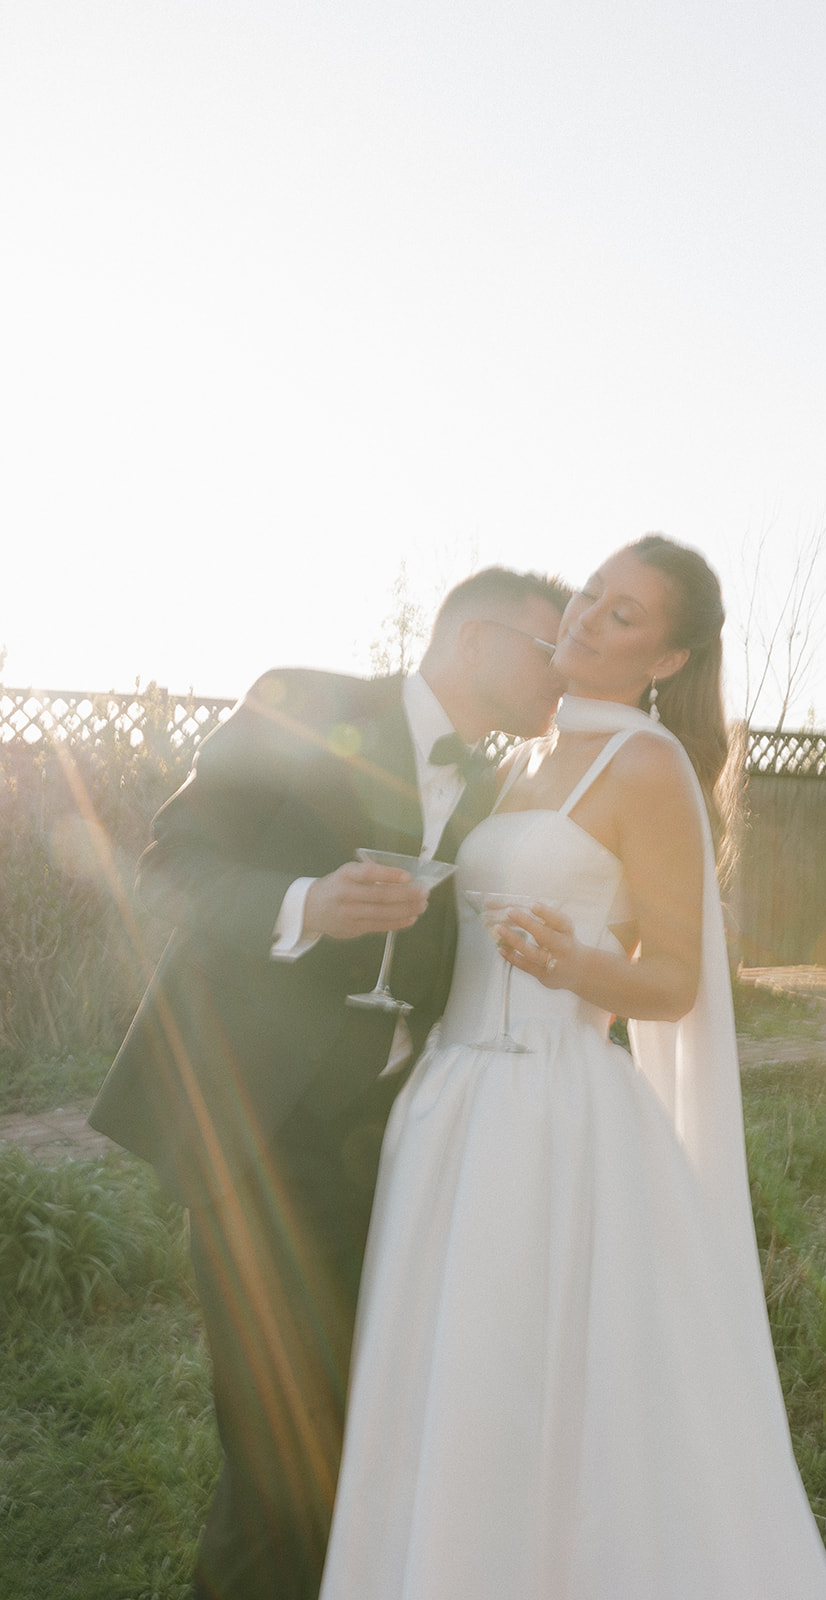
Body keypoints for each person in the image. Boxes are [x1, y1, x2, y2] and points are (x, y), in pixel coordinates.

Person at [319, 535, 826, 1599]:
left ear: (663, 661)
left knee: (526, 1375)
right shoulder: (517, 757)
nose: (585, 615)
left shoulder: (645, 766)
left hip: (548, 1106)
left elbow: (674, 983)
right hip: (448, 1101)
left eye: (622, 616)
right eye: (590, 593)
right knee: (443, 1377)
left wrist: (575, 962)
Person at [88, 567, 570, 1600]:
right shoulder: (303, 703)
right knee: (276, 1461)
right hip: (261, 1136)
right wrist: (306, 901)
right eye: (547, 648)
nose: (560, 673)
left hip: (405, 1150)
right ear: (477, 640)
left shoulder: (498, 791)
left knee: (362, 1439)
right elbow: (171, 862)